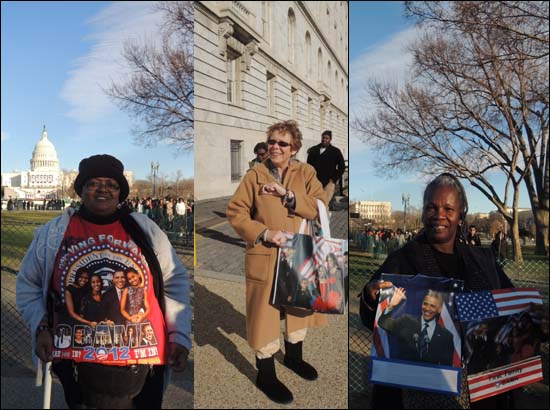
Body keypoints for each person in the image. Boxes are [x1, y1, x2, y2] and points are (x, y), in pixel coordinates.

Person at [16, 154, 191, 409]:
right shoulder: (53, 234)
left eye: (111, 184)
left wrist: (180, 336)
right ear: (81, 189)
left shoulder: (146, 230)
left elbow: (174, 282)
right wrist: (41, 326)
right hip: (78, 360)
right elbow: (28, 284)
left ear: (120, 192)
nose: (103, 190)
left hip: (142, 361)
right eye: (93, 183)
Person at [360, 173, 514, 409]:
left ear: (461, 214)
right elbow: (373, 318)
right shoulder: (401, 260)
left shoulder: (482, 260)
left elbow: (510, 305)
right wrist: (371, 299)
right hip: (415, 389)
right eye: (431, 207)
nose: (439, 215)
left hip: (480, 385)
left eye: (448, 208)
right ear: (423, 212)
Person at [227, 120, 327, 404]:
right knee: (265, 315)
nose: (275, 147)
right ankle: (266, 374)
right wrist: (264, 233)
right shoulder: (254, 176)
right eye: (272, 141)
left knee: (297, 308)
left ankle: (294, 357)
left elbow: (320, 207)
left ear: (294, 147)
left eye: (282, 143)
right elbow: (236, 212)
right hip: (267, 255)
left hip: (299, 254)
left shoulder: (306, 172)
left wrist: (290, 197)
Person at [378, 289, 454, 366]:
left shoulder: (446, 336)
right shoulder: (406, 321)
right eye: (425, 304)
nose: (427, 308)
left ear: (439, 309)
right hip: (402, 372)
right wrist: (391, 305)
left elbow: (446, 366)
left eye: (432, 306)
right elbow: (383, 322)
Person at [306, 130, 346, 207]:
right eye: (323, 138)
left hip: (329, 183)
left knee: (324, 205)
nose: (324, 139)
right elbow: (308, 166)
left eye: (326, 138)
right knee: (314, 204)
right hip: (315, 181)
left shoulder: (335, 151)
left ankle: (324, 218)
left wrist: (333, 179)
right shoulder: (314, 150)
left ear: (330, 139)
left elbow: (342, 167)